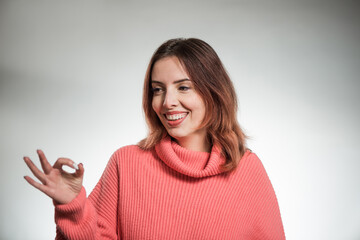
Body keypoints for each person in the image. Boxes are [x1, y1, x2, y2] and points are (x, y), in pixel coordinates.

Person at [24, 38, 285, 239]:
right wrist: (72, 207)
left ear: (214, 93)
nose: (167, 102)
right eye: (157, 90)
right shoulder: (126, 163)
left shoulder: (247, 170)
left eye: (183, 87)